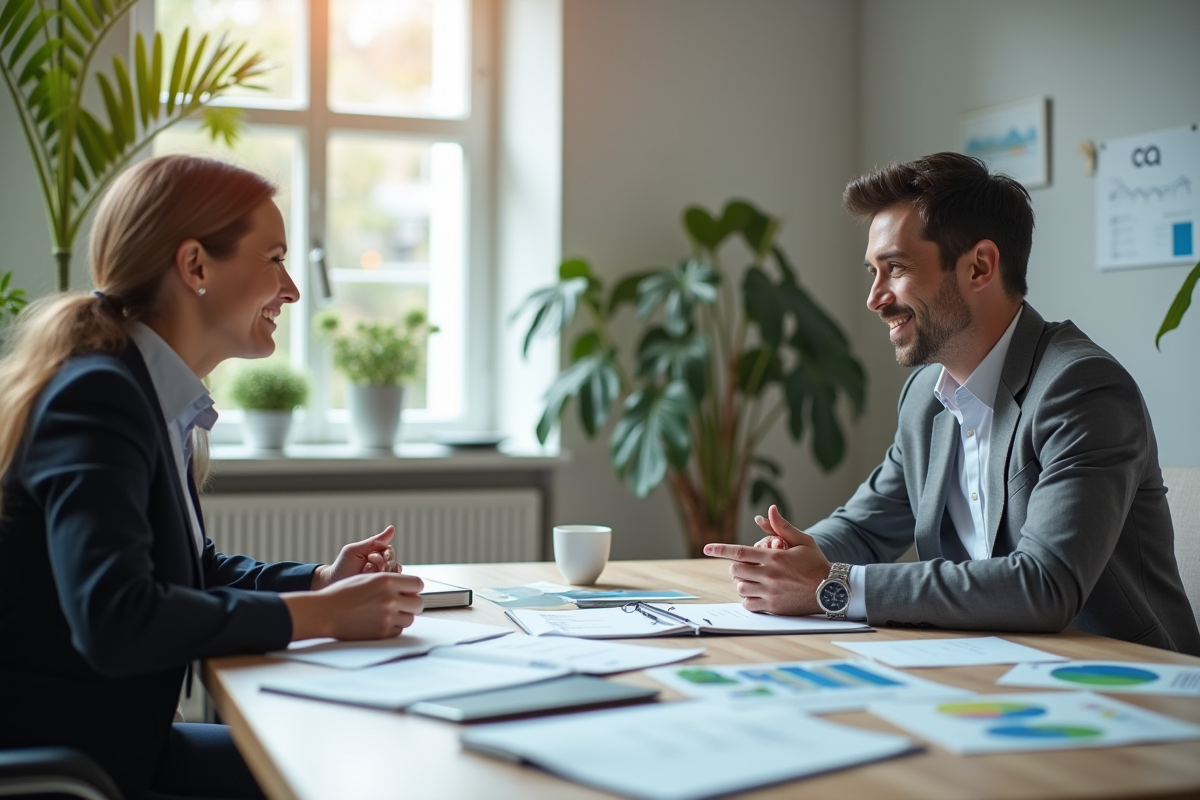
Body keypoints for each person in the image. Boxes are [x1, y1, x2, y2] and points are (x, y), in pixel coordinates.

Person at [0, 155, 426, 800]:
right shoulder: (99, 396)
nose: (291, 289)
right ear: (195, 265)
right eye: (274, 258)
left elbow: (187, 572)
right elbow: (117, 618)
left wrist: (319, 581)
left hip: (118, 749)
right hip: (73, 773)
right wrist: (320, 614)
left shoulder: (142, 391)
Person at [703, 152, 1200, 656]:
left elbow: (1045, 585)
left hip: (1125, 678)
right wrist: (790, 555)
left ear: (980, 266)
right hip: (988, 665)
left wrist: (833, 587)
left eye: (895, 268)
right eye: (873, 271)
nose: (876, 298)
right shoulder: (926, 399)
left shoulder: (1081, 389)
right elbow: (865, 526)